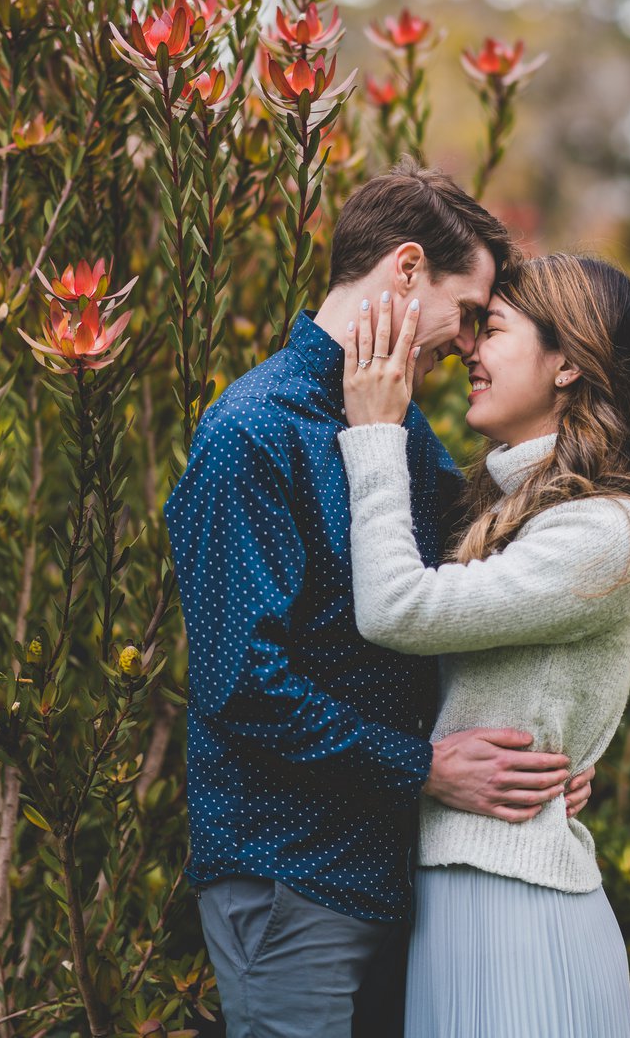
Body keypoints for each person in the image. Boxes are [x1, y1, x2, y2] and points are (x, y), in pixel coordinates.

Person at [162, 161, 595, 1038]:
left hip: (398, 875)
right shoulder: (247, 434)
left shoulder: (403, 430)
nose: (469, 344)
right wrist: (427, 768)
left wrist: (542, 752)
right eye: (468, 312)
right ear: (404, 270)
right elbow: (238, 682)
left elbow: (466, 606)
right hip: (288, 879)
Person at [337, 251, 630, 1038]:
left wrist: (373, 437)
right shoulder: (513, 506)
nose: (470, 349)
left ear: (567, 362)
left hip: (515, 904)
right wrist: (558, 744)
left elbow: (400, 607)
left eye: (492, 329)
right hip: (466, 891)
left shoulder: (609, 528)